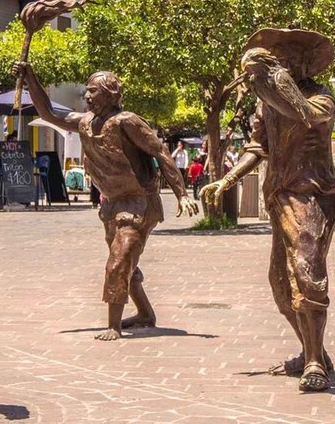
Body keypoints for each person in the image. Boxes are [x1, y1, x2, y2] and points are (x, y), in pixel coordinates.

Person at [12, 61, 198, 342]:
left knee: (118, 262)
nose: (87, 97)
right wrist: (30, 78)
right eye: (87, 92)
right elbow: (48, 113)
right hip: (111, 204)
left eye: (93, 92)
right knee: (126, 261)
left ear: (111, 95)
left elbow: (160, 152)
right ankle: (145, 314)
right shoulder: (84, 122)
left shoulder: (127, 122)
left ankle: (113, 325)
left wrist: (182, 194)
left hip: (139, 203)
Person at [201, 28, 335, 392]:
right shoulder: (266, 103)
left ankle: (314, 363)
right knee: (281, 283)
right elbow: (257, 148)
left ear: (306, 64)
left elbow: (305, 115)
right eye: (281, 57)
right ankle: (316, 351)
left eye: (293, 58)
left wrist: (272, 79)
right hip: (279, 195)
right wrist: (226, 180)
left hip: (313, 195)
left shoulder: (321, 96)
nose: (287, 63)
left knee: (307, 274)